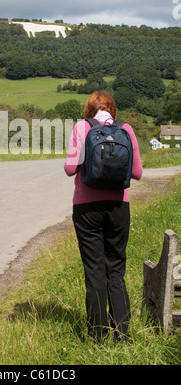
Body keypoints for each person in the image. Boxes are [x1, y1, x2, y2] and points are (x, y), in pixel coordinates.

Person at [64, 91, 142, 342]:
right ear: (112, 109)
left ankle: (97, 336)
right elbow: (137, 172)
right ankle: (122, 332)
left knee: (94, 270)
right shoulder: (126, 128)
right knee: (116, 270)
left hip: (87, 208)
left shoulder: (82, 127)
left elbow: (70, 169)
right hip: (118, 206)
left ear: (89, 109)